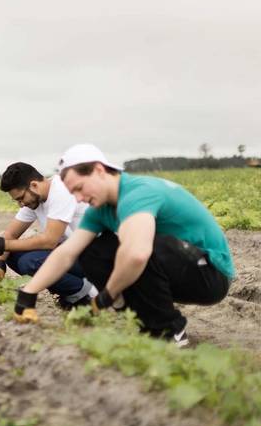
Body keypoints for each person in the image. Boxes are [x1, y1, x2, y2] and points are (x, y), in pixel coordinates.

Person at [12, 144, 234, 347]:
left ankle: (169, 332)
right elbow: (67, 253)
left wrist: (107, 296)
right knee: (92, 251)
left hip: (210, 274)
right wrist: (28, 293)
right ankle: (144, 323)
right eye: (73, 193)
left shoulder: (137, 193)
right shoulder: (100, 210)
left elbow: (137, 254)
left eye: (80, 188)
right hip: (177, 267)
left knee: (136, 245)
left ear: (99, 170)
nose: (78, 198)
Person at [0, 162, 96, 310]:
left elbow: (49, 241)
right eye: (16, 201)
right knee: (9, 253)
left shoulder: (61, 192)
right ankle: (70, 291)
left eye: (20, 198)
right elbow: (11, 234)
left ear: (34, 185)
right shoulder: (35, 199)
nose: (20, 204)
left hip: (94, 258)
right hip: (71, 254)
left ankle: (85, 294)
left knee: (31, 262)